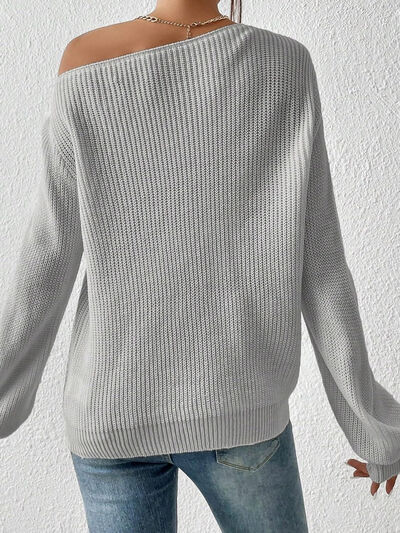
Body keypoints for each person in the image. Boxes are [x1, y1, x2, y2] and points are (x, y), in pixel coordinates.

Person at [1, 0, 399, 531]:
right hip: (239, 407)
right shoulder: (283, 64)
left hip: (111, 407)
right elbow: (322, 264)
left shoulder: (85, 60)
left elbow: (47, 258)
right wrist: (373, 427)